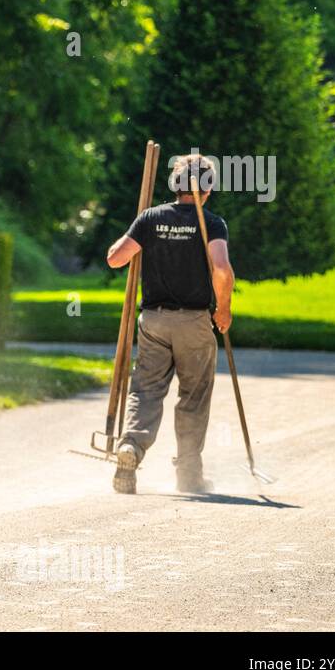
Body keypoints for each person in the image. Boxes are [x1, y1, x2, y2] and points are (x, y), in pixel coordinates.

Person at [104, 153, 235, 494]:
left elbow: (115, 259)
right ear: (207, 189)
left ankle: (131, 446)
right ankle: (189, 474)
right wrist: (224, 309)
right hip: (194, 321)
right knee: (193, 395)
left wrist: (140, 230)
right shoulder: (211, 223)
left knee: (146, 389)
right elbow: (221, 269)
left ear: (175, 185)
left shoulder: (150, 218)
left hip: (154, 321)